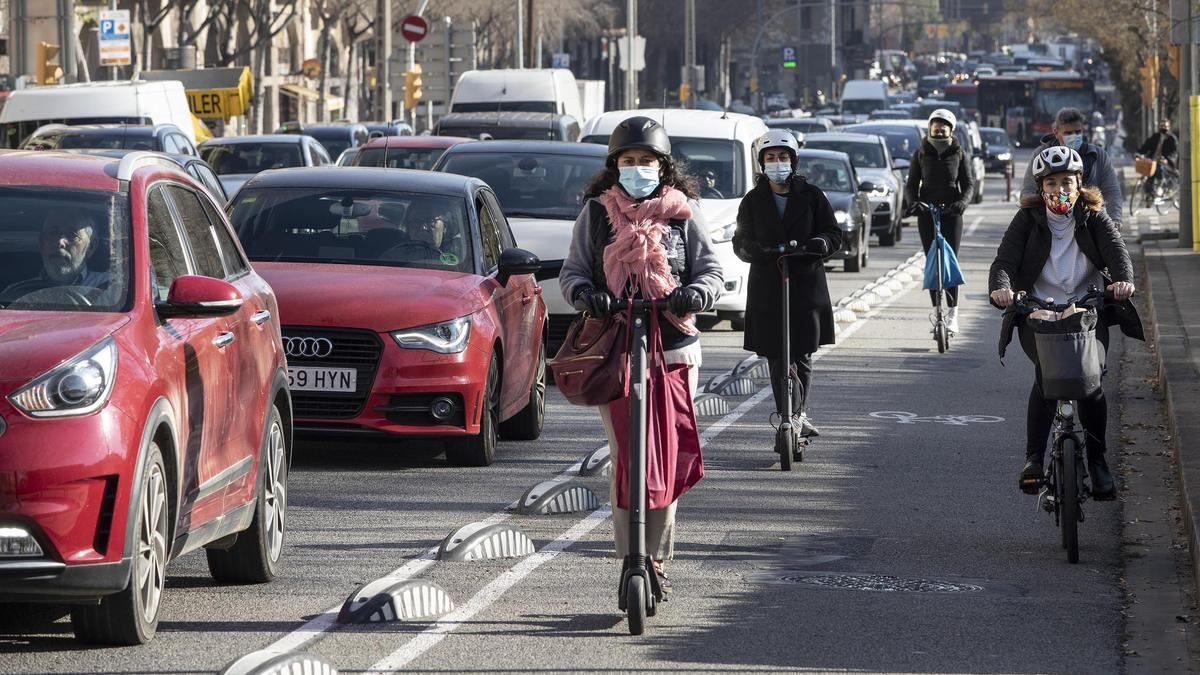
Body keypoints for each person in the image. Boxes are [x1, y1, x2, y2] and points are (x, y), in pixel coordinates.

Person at [559, 116, 724, 584]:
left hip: (673, 347)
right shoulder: (595, 213)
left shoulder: (683, 212)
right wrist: (586, 296)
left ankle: (655, 555)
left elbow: (711, 272)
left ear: (663, 167)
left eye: (646, 161)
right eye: (628, 161)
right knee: (627, 456)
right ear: (614, 167)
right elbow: (574, 273)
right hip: (616, 349)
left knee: (665, 454)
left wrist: (695, 295)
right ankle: (629, 555)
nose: (637, 169)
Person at [989, 146, 1143, 500]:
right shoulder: (1028, 218)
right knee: (1047, 376)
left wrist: (1122, 281)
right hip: (1038, 311)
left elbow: (1117, 252)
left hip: (1087, 310)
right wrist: (1003, 289)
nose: (1060, 189)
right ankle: (1033, 460)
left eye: (1068, 182)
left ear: (1079, 184)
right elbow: (1005, 259)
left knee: (1091, 382)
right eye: (1052, 182)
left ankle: (1099, 461)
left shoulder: (1092, 215)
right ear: (1041, 186)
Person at [732, 129, 842, 438]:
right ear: (762, 163)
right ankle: (785, 414)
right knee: (777, 354)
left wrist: (820, 243)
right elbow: (740, 239)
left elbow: (833, 232)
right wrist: (752, 250)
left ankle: (800, 412)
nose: (777, 163)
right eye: (771, 158)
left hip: (806, 285)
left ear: (792, 161)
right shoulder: (753, 201)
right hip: (768, 286)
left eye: (782, 157)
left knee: (803, 352)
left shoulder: (812, 196)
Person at [903, 108, 974, 335]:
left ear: (951, 131)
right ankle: (938, 311)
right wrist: (914, 203)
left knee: (950, 263)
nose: (940, 132)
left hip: (952, 213)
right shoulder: (921, 153)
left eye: (944, 129)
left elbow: (969, 184)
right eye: (936, 128)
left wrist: (962, 202)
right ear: (930, 128)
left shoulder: (959, 153)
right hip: (927, 213)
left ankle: (953, 314)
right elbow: (911, 184)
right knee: (933, 263)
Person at [1020, 107, 1123, 225]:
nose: (1074, 136)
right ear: (1056, 132)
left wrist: (1115, 220)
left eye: (1078, 132)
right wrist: (1030, 221)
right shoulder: (1041, 156)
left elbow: (1112, 191)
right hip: (1049, 224)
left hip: (1089, 226)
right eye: (1068, 133)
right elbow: (1028, 191)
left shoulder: (1097, 156)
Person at [2, 209, 109, 301]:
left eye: (72, 235)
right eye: (53, 233)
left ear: (91, 247)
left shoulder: (112, 290)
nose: (60, 242)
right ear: (42, 243)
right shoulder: (15, 294)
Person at [1137, 117, 1179, 203]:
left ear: (1169, 127)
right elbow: (1146, 146)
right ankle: (1150, 194)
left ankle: (1160, 187)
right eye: (1161, 125)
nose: (1163, 127)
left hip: (1166, 162)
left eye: (1165, 126)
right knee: (1148, 175)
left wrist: (1167, 159)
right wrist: (1139, 153)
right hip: (1153, 161)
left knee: (1158, 169)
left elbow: (1174, 152)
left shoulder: (1172, 139)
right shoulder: (1155, 137)